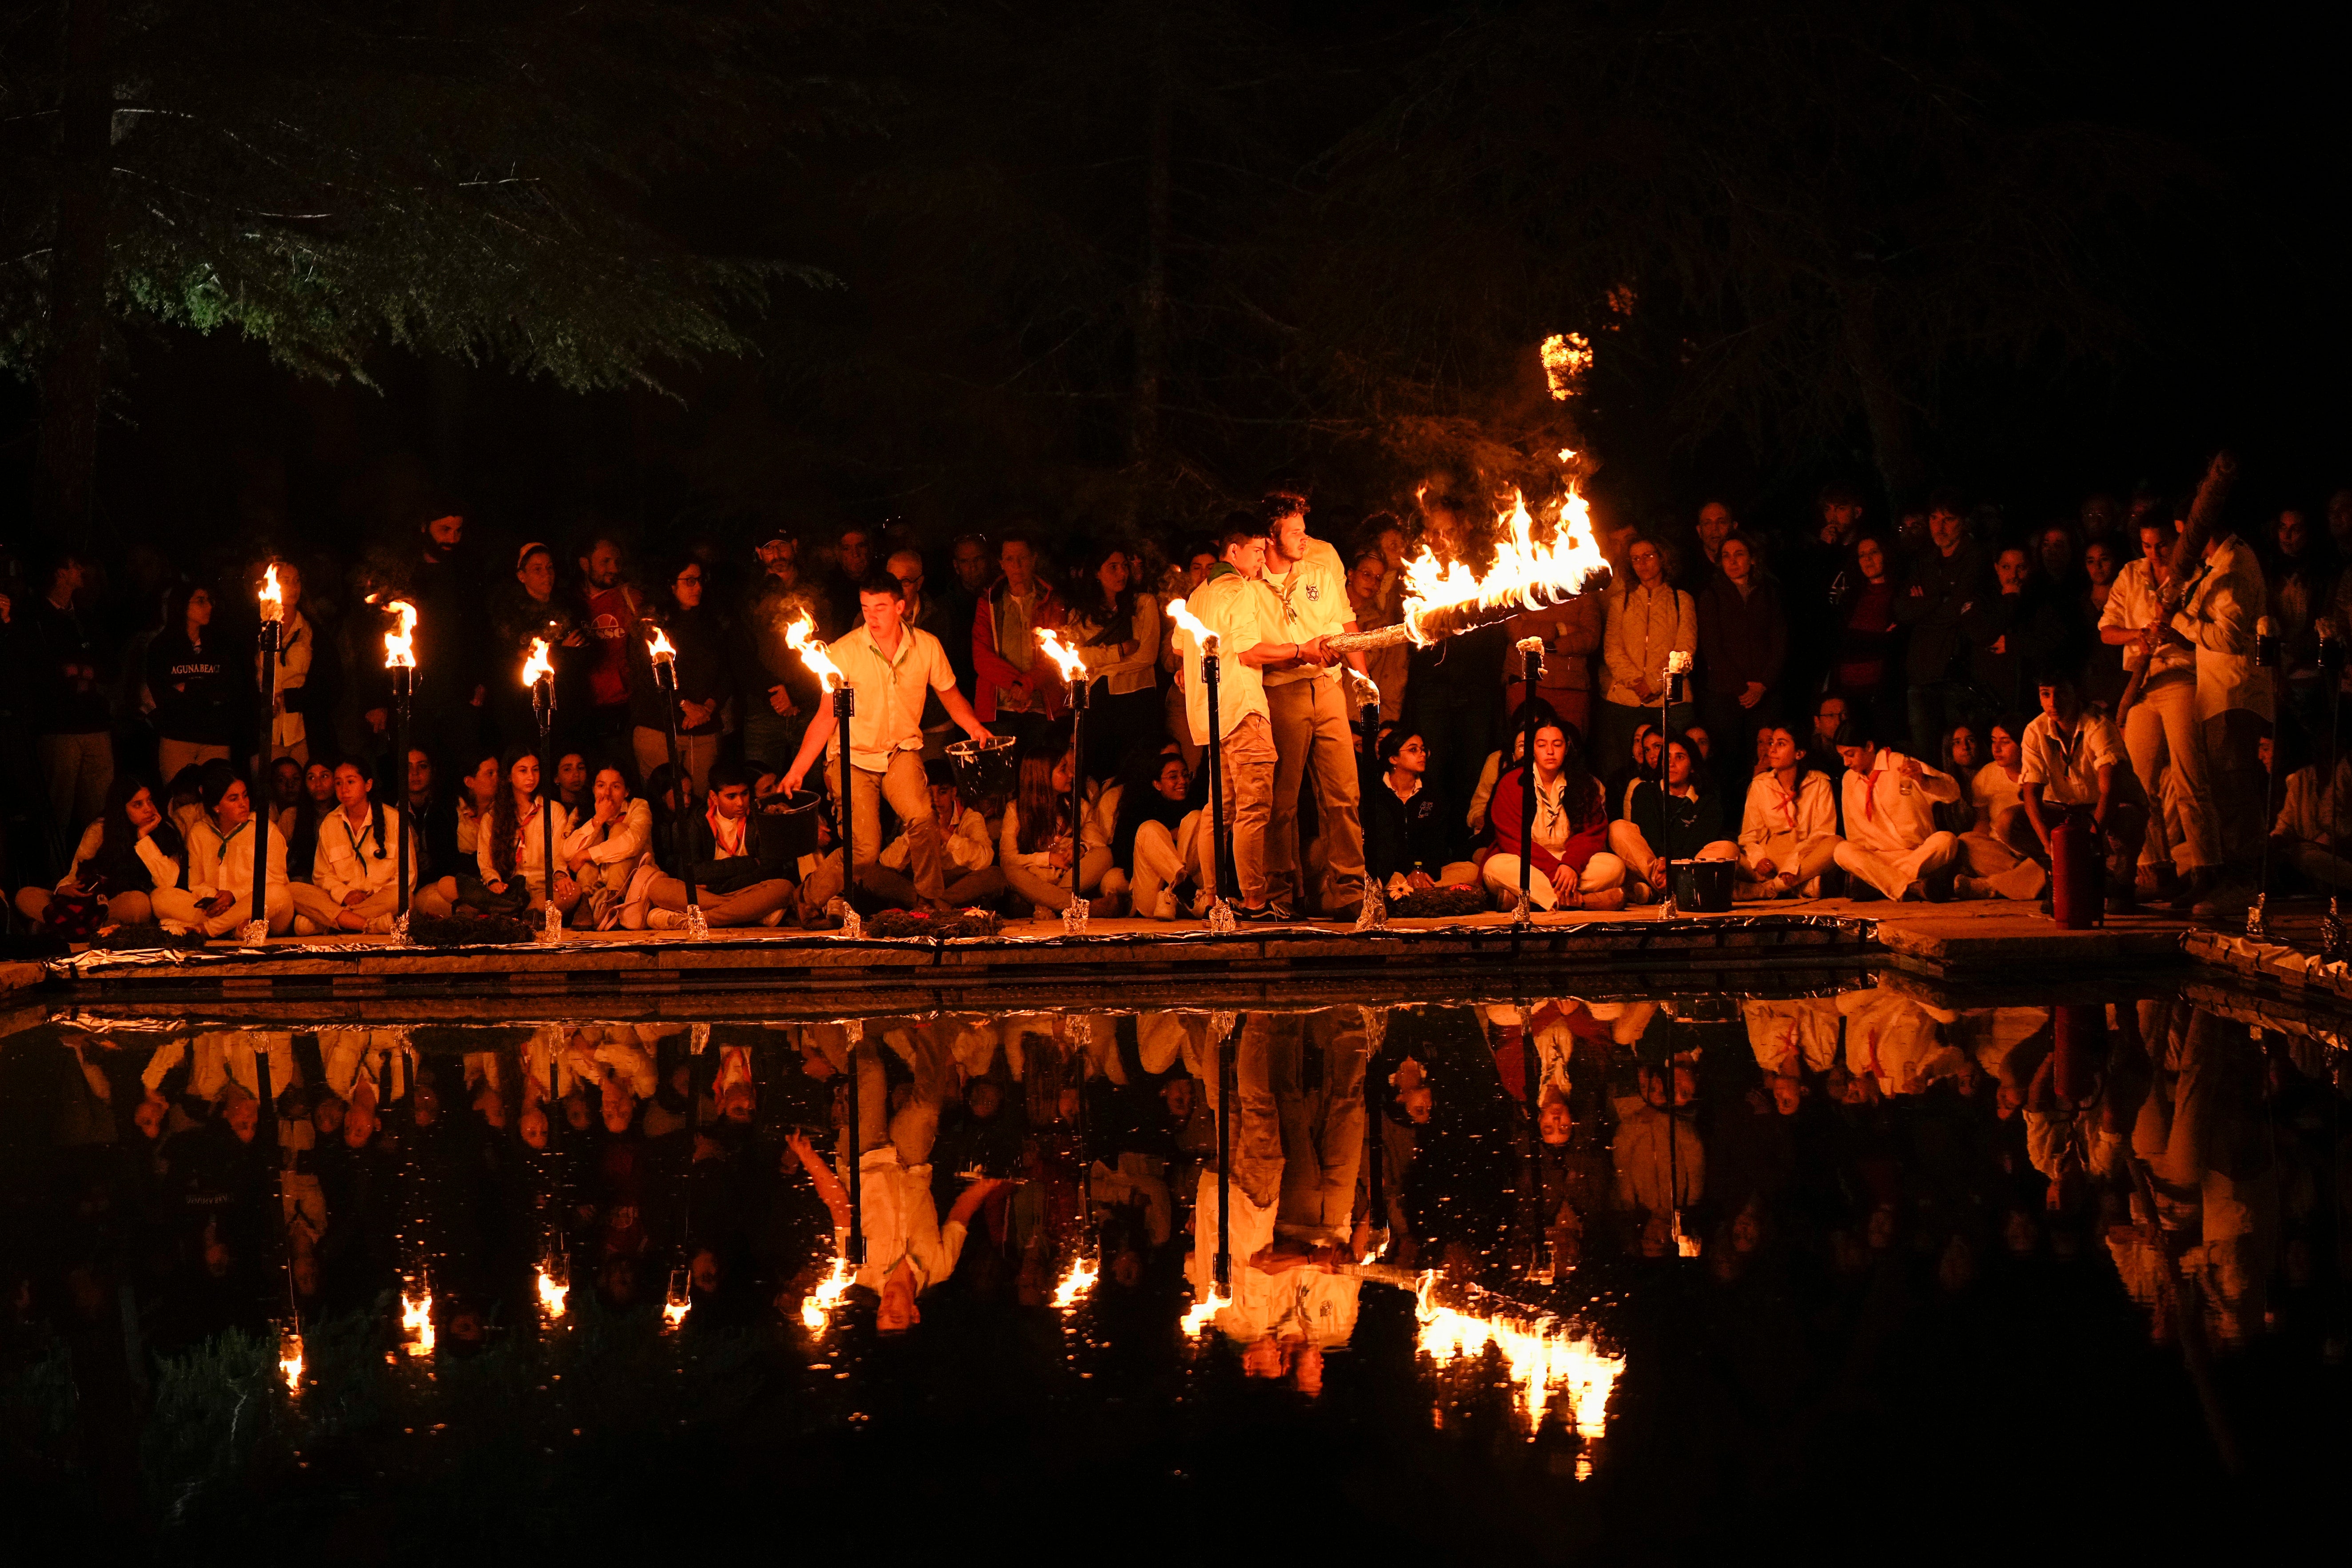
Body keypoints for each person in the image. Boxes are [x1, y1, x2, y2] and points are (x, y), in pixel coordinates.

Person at [781, 574, 995, 913]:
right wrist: (798, 769)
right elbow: (826, 717)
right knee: (864, 850)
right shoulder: (845, 651)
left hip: (901, 750)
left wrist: (975, 728)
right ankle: (807, 898)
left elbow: (951, 695)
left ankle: (928, 899)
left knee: (923, 817)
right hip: (853, 755)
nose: (872, 616)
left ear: (900, 607)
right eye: (866, 608)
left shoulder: (926, 646)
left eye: (880, 607)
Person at [791, 1025, 1006, 1332]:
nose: (888, 1306)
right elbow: (961, 1215)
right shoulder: (940, 1269)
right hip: (911, 1164)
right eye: (896, 1315)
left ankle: (830, 1021)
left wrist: (809, 1159)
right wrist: (984, 1188)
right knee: (926, 1107)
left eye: (881, 1314)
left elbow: (839, 1206)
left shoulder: (859, 1271)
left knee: (871, 1072)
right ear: (915, 1313)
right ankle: (931, 1020)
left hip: (863, 1159)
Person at [1176, 515, 1311, 920]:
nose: (1261, 560)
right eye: (1256, 552)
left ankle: (1215, 898)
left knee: (1220, 810)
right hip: (1244, 709)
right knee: (1253, 809)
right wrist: (1300, 650)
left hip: (1213, 716)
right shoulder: (1241, 589)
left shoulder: (1198, 595)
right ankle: (1254, 900)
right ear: (1233, 552)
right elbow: (1250, 651)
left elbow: (1179, 646)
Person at [2099, 514, 2217, 906]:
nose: (2155, 552)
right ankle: (2157, 868)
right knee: (2137, 780)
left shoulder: (2194, 573)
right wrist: (2140, 635)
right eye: (2148, 545)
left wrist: (2174, 635)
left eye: (2162, 544)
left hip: (2181, 678)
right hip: (2142, 683)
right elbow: (2107, 629)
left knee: (2188, 776)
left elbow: (2204, 637)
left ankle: (2207, 868)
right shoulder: (2132, 574)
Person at [1261, 493, 1368, 920]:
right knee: (1281, 801)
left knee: (1344, 792)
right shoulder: (1251, 582)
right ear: (1271, 537)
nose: (1305, 539)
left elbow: (1345, 623)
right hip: (1282, 690)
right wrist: (1298, 652)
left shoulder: (1320, 570)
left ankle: (1349, 889)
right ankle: (1279, 892)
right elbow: (1253, 647)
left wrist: (1363, 679)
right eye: (1295, 532)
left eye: (1305, 530)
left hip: (1327, 688)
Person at [2174, 518, 2272, 916]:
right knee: (2226, 789)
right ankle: (2237, 879)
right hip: (2217, 694)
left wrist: (2179, 622)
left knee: (2235, 790)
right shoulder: (2214, 565)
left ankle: (2245, 884)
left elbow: (2230, 637)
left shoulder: (2234, 564)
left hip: (2234, 692)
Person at [2009, 677, 2148, 912]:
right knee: (2009, 822)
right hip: (2067, 813)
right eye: (2045, 694)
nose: (2053, 703)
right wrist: (2047, 844)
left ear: (2077, 693)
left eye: (2061, 693)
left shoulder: (2098, 724)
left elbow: (2110, 791)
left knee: (2129, 817)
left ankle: (2120, 883)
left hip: (2108, 810)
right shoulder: (2036, 729)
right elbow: (2031, 792)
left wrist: (2089, 844)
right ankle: (2060, 874)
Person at [1482, 717, 1628, 911]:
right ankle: (1581, 901)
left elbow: (1591, 833)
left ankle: (1531, 899)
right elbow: (1513, 841)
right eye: (1542, 745)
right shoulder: (1511, 783)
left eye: (1557, 745)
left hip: (1570, 863)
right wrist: (1556, 871)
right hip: (1529, 863)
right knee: (1495, 866)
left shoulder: (1584, 783)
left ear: (1567, 748)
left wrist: (1571, 865)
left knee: (1613, 867)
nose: (1550, 752)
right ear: (1532, 749)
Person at [631, 762, 797, 929]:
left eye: (744, 794)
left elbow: (770, 869)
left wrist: (717, 885)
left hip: (745, 890)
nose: (740, 803)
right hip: (708, 895)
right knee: (658, 888)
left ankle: (701, 920)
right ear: (714, 797)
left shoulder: (760, 817)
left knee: (784, 888)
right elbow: (692, 873)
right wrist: (749, 863)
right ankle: (747, 913)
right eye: (731, 797)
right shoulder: (698, 821)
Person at [23, 551, 115, 843]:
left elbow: (103, 664)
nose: (82, 571)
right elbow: (43, 671)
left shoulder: (86, 617)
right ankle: (54, 876)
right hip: (59, 727)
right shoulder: (36, 618)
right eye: (74, 566)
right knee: (57, 811)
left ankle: (96, 873)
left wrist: (82, 675)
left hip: (95, 725)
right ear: (60, 573)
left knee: (100, 813)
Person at [15, 774, 184, 932]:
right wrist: (62, 889)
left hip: (117, 907)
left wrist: (143, 839)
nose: (148, 809)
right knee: (25, 895)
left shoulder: (164, 830)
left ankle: (60, 928)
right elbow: (76, 873)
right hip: (91, 902)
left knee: (139, 904)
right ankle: (75, 928)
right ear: (122, 808)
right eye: (138, 804)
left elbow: (168, 882)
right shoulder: (100, 830)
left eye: (150, 801)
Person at [153, 760, 295, 937]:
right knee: (161, 896)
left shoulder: (264, 829)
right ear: (216, 807)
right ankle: (234, 928)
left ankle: (208, 930)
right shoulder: (200, 832)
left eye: (245, 796)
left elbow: (277, 880)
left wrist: (234, 895)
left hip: (264, 912)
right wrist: (216, 899)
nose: (244, 804)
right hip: (219, 910)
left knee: (278, 893)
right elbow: (196, 884)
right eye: (234, 799)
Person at [626, 556, 731, 794]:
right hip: (659, 729)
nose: (698, 588)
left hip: (704, 728)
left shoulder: (711, 623)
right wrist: (684, 704)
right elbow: (645, 676)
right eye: (690, 581)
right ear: (671, 585)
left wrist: (708, 708)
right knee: (667, 803)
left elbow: (726, 672)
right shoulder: (650, 625)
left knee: (700, 802)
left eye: (701, 581)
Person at [1694, 530, 1786, 794]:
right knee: (1728, 760)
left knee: (1765, 758)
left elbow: (1780, 641)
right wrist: (1741, 688)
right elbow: (1711, 647)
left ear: (1753, 559)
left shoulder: (1769, 593)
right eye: (1726, 556)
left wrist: (1763, 684)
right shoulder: (1712, 595)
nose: (1733, 561)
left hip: (1765, 693)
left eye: (1739, 554)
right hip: (1725, 695)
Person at [1830, 719, 1961, 901]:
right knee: (1842, 850)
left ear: (1869, 746)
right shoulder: (1849, 780)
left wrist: (1924, 781)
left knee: (1947, 840)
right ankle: (1910, 887)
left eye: (1850, 754)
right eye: (1842, 756)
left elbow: (1953, 793)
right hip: (1877, 860)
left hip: (1917, 856)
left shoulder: (1902, 763)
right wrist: (1864, 864)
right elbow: (1854, 835)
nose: (1846, 762)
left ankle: (1878, 885)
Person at [1064, 541, 1162, 782]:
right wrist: (1117, 651)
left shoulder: (1143, 604)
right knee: (1102, 770)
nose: (1122, 573)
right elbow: (1078, 658)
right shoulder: (1081, 615)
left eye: (1125, 567)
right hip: (1099, 701)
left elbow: (1146, 656)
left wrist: (1102, 666)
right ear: (1097, 573)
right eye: (1113, 567)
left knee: (1136, 771)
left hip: (1138, 698)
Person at [1598, 534, 1695, 770]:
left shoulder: (1681, 600)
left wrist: (1653, 684)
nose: (1642, 563)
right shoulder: (1620, 601)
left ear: (1662, 558)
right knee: (1623, 768)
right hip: (1625, 701)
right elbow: (1612, 649)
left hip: (1671, 702)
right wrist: (1636, 682)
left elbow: (1685, 650)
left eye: (1648, 556)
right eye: (1635, 559)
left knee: (1672, 768)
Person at [1897, 493, 1984, 755]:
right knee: (1926, 754)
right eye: (1935, 518)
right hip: (1922, 669)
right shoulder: (1925, 559)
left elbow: (1959, 612)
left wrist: (1925, 605)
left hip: (1956, 671)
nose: (1940, 526)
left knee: (1961, 753)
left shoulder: (1976, 558)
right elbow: (1901, 608)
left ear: (1964, 522)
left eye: (1949, 519)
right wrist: (1939, 600)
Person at [1608, 731, 1738, 901]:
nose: (1671, 763)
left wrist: (1673, 868)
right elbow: (1650, 836)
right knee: (1618, 828)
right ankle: (1673, 887)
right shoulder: (1645, 791)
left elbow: (1698, 843)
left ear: (1692, 766)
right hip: (1656, 863)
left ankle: (1658, 891)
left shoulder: (1708, 801)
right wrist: (1664, 866)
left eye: (1680, 757)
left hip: (1686, 866)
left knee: (1728, 848)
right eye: (1667, 757)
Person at [291, 757, 413, 935]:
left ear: (368, 785)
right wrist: (345, 894)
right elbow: (322, 876)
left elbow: (407, 876)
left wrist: (372, 895)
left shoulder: (394, 820)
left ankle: (332, 922)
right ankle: (368, 925)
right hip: (341, 901)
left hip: (379, 900)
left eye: (350, 782)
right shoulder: (330, 823)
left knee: (404, 897)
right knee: (294, 889)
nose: (344, 789)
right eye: (338, 783)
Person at [999, 737, 1116, 917]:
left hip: (1066, 876)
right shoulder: (1015, 810)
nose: (1071, 775)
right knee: (1010, 870)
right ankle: (1084, 909)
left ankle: (1043, 901)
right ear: (1043, 776)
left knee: (1105, 854)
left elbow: (1096, 843)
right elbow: (1009, 858)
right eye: (1063, 770)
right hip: (1036, 875)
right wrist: (1048, 859)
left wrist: (1081, 848)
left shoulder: (1078, 806)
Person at [736, 532, 821, 777]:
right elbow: (741, 653)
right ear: (759, 552)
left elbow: (831, 647)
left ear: (794, 546)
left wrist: (796, 693)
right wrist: (773, 692)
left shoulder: (815, 592)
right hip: (764, 711)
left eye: (782, 546)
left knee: (812, 787)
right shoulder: (749, 597)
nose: (777, 555)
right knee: (761, 787)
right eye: (769, 548)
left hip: (809, 708)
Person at [972, 531, 1065, 752]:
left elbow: (1058, 655)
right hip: (999, 706)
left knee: (1040, 775)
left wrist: (1027, 685)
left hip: (1044, 706)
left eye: (1022, 558)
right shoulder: (989, 601)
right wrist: (1018, 686)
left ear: (1034, 559)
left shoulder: (1051, 600)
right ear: (1001, 563)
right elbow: (981, 655)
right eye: (1010, 559)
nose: (1017, 565)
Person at [869, 762, 1004, 910]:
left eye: (942, 792)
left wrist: (943, 833)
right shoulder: (915, 816)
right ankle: (928, 903)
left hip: (954, 882)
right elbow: (887, 862)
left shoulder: (970, 818)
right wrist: (916, 832)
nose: (935, 800)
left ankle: (935, 903)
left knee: (995, 875)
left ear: (953, 793)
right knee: (873, 874)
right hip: (919, 884)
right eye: (928, 793)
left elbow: (984, 859)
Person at [147, 582, 241, 783]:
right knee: (180, 799)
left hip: (215, 738)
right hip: (177, 737)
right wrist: (205, 691)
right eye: (201, 601)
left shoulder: (221, 644)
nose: (209, 606)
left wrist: (188, 688)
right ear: (182, 605)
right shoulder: (162, 646)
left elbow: (227, 688)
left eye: (209, 601)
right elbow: (162, 694)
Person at [1364, 728, 1475, 896]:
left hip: (1427, 872)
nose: (1422, 754)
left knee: (1470, 870)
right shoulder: (1374, 794)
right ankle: (1418, 892)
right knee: (1383, 877)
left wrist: (1420, 870)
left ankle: (1411, 893)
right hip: (1391, 871)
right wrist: (1408, 871)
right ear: (1393, 758)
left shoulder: (1433, 794)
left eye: (1423, 750)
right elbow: (1381, 845)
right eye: (1413, 750)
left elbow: (1437, 844)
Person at [477, 746, 581, 920]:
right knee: (447, 886)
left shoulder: (553, 811)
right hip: (509, 891)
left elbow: (559, 854)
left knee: (573, 892)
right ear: (509, 776)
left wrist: (561, 876)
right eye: (523, 771)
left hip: (544, 890)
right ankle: (514, 912)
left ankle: (524, 915)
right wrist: (494, 882)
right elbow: (486, 863)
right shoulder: (493, 816)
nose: (531, 777)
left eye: (535, 770)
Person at [1736, 726, 1839, 898]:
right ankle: (1801, 886)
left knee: (1836, 843)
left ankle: (1769, 889)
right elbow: (1749, 835)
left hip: (1804, 857)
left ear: (1799, 754)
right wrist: (1759, 859)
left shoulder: (1820, 783)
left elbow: (1823, 833)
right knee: (1726, 851)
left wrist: (1794, 862)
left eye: (1781, 744)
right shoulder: (1760, 784)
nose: (1772, 749)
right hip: (1770, 859)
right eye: (1771, 743)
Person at [1108, 746, 1210, 921]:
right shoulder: (1139, 809)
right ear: (1157, 783)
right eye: (1173, 777)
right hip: (1153, 899)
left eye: (1186, 775)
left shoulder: (1191, 804)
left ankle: (1181, 892)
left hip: (1196, 900)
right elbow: (1122, 857)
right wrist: (1168, 838)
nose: (1182, 781)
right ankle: (1184, 889)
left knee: (1198, 817)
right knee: (1150, 829)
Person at [574, 536, 644, 777]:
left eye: (617, 561)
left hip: (623, 708)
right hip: (583, 709)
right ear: (585, 564)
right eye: (605, 561)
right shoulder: (571, 602)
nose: (614, 568)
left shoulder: (631, 599)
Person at [560, 764, 654, 929]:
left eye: (616, 787)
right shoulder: (582, 810)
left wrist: (586, 855)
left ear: (626, 792)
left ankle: (613, 899)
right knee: (591, 838)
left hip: (632, 883)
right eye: (601, 786)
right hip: (595, 886)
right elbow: (568, 852)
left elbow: (632, 843)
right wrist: (599, 819)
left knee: (619, 830)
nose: (607, 794)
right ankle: (585, 903)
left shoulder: (638, 806)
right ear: (594, 789)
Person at [1830, 535, 1902, 742]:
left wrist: (1863, 640)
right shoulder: (1852, 596)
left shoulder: (1899, 592)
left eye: (1874, 553)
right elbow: (1843, 641)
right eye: (1862, 555)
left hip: (1881, 691)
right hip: (1848, 690)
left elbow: (1895, 643)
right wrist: (1879, 639)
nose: (1868, 560)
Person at [2270, 745, 2352, 893]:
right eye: (2322, 752)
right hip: (2317, 854)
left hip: (2346, 848)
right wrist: (2275, 840)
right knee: (2304, 855)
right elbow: (2286, 824)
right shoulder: (2302, 778)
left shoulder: (2345, 774)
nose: (2326, 759)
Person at [262, 560, 317, 764]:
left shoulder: (310, 630)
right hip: (267, 727)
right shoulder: (256, 629)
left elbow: (325, 680)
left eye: (297, 581)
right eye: (286, 581)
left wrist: (294, 698)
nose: (294, 588)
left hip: (300, 728)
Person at [1349, 543, 1410, 725]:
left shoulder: (1378, 623)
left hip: (1351, 710)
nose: (1373, 583)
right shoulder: (1329, 607)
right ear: (1351, 574)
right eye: (1367, 575)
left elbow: (1366, 661)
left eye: (1378, 579)